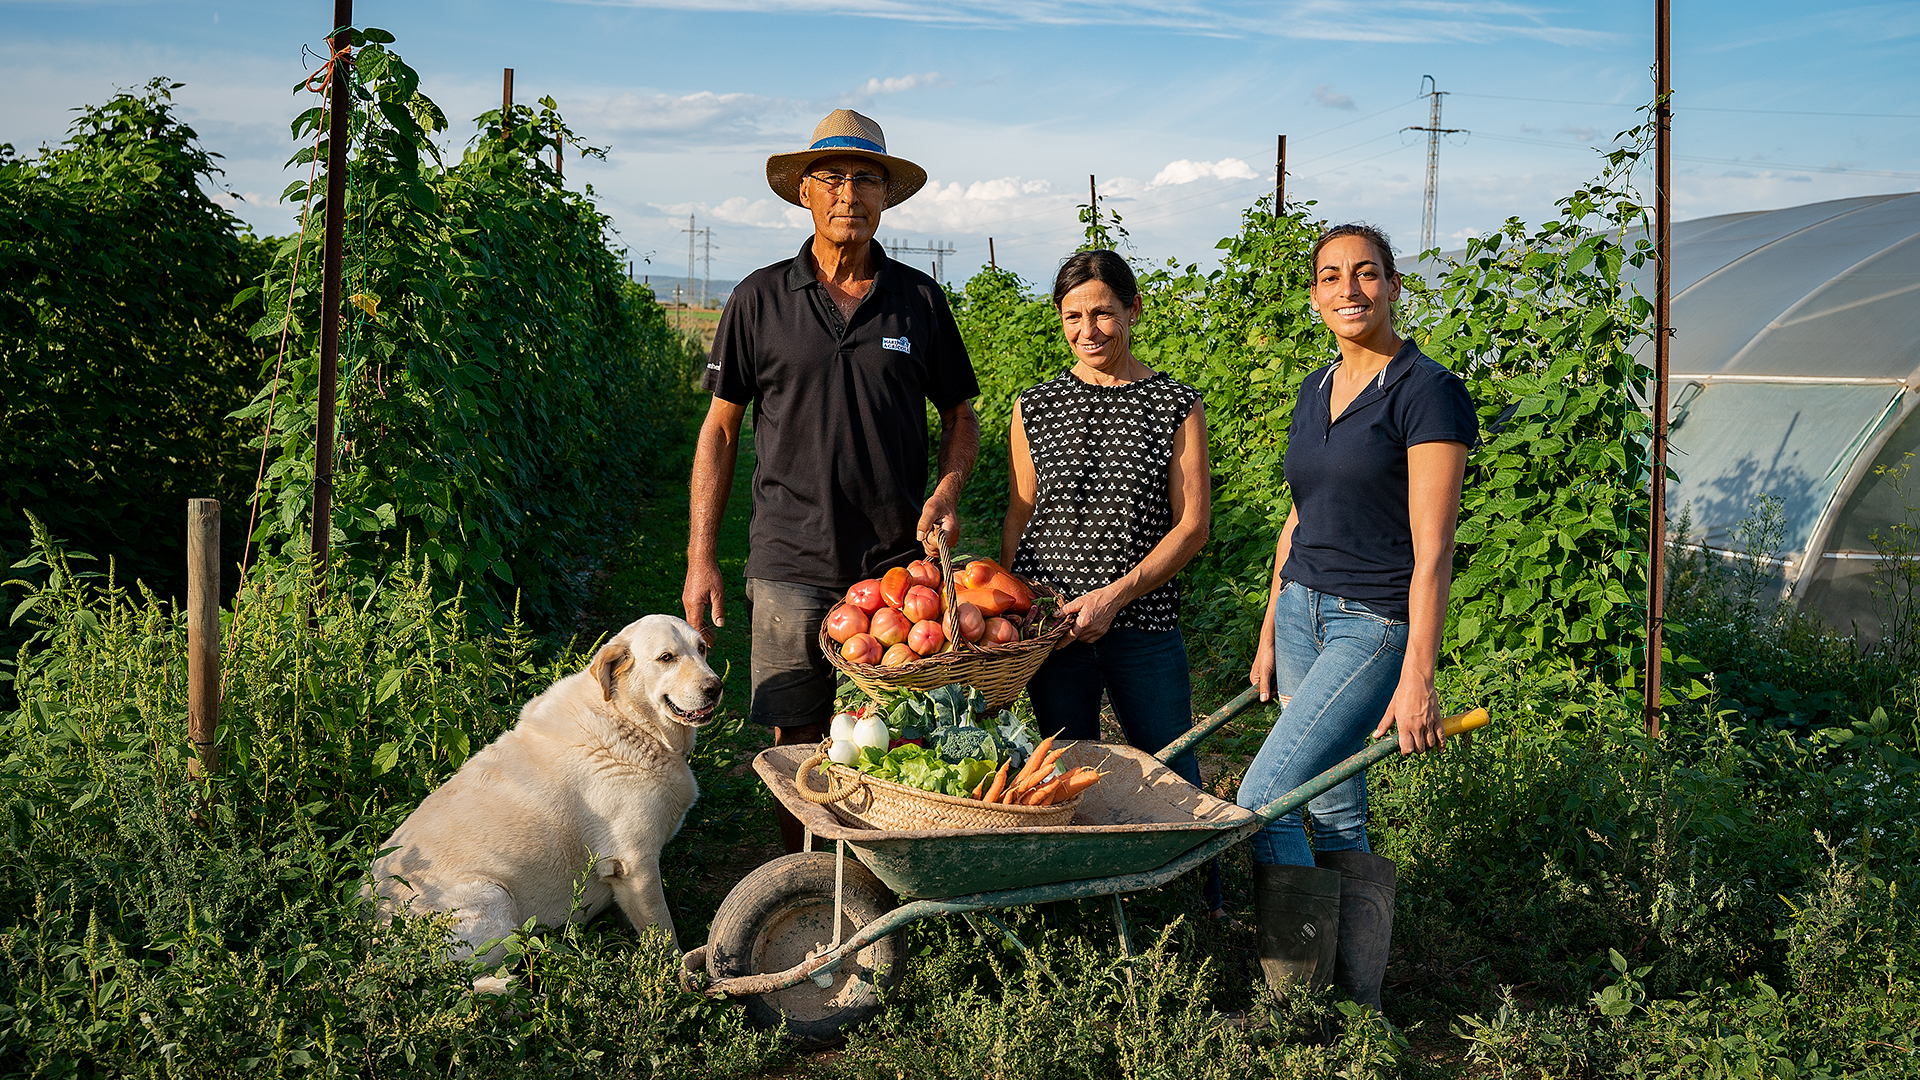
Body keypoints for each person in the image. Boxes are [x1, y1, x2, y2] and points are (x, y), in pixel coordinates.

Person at [683, 110, 980, 854]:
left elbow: (960, 416)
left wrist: (945, 491)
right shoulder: (758, 298)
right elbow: (718, 431)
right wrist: (700, 556)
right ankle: (808, 877)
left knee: (906, 727)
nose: (851, 194)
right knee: (798, 732)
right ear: (807, 194)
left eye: (867, 179)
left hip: (896, 564)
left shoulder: (918, 300)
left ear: (886, 198)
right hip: (791, 554)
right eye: (835, 179)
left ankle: (890, 861)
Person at [1235, 223, 1477, 1012]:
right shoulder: (1316, 387)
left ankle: (1294, 1007)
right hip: (1302, 607)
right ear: (1315, 294)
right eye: (1332, 276)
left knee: (1262, 799)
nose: (1350, 289)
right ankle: (1354, 1003)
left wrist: (1419, 679)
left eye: (1367, 274)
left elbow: (1433, 550)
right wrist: (1273, 621)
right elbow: (1297, 518)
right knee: (1335, 804)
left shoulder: (1425, 390)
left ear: (1394, 286)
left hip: (1370, 624)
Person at [1000, 249, 1222, 915]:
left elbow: (1192, 527)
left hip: (1142, 626)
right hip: (1057, 634)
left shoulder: (1174, 404)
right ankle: (1084, 900)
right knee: (1062, 770)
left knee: (1170, 764)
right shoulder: (1035, 406)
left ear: (1133, 310)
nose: (1088, 329)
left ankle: (1196, 900)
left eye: (1102, 312)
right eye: (1072, 316)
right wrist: (1035, 608)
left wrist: (1115, 595)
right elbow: (1020, 514)